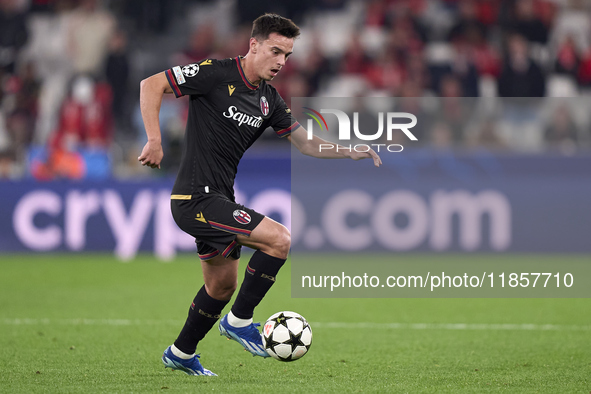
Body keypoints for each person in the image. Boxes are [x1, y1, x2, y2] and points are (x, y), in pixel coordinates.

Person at [138, 13, 381, 377]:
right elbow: (151, 84)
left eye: (288, 55)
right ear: (254, 45)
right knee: (279, 239)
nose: (282, 62)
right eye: (275, 51)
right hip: (194, 198)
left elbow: (306, 144)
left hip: (220, 198)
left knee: (221, 286)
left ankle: (181, 352)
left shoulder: (269, 100)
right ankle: (239, 321)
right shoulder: (216, 73)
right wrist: (155, 139)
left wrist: (347, 150)